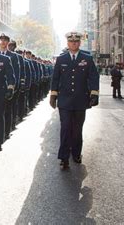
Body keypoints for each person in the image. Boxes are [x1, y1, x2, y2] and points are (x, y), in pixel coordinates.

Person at [50, 31, 99, 170]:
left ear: (80, 43)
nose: (74, 43)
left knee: (77, 129)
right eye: (71, 42)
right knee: (65, 128)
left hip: (80, 100)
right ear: (67, 43)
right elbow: (56, 79)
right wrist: (53, 95)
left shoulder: (87, 58)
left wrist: (94, 94)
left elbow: (94, 77)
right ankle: (64, 157)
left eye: (76, 41)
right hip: (64, 101)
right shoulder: (61, 59)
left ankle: (76, 153)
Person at [0, 33, 19, 138]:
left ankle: (6, 132)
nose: (3, 42)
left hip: (8, 87)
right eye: (1, 40)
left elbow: (16, 73)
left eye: (5, 40)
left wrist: (13, 87)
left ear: (8, 42)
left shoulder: (13, 56)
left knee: (7, 110)